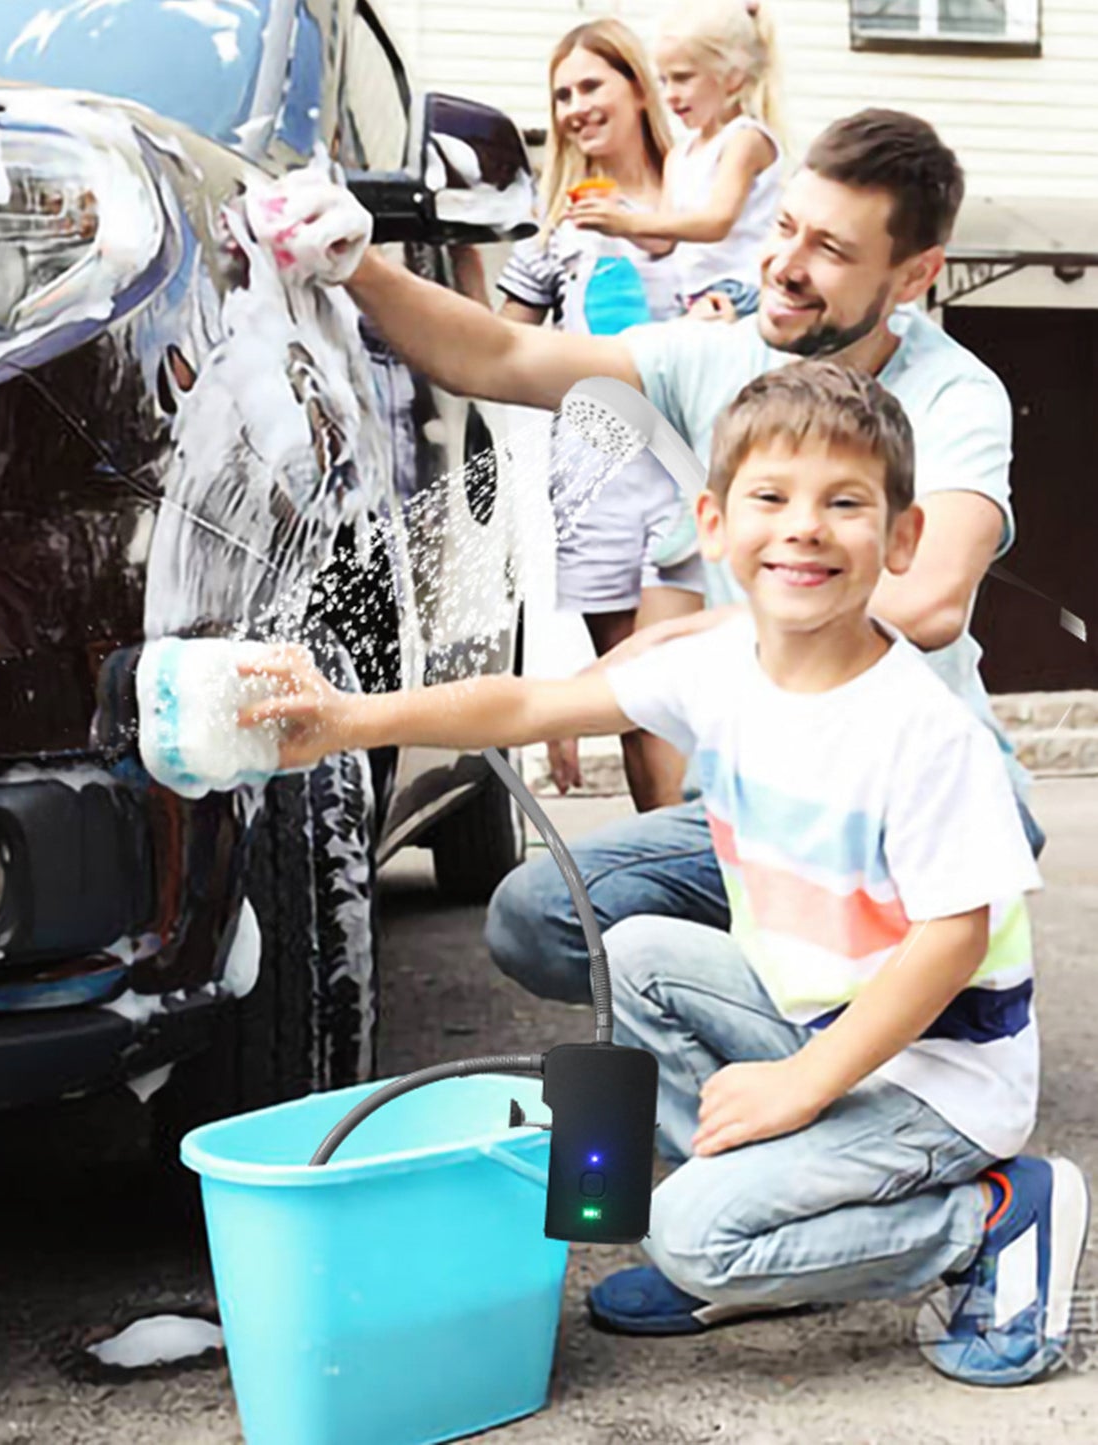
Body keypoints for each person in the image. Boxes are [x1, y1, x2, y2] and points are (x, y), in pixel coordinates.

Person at [236, 361, 1087, 1387]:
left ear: (901, 539)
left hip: (940, 1080)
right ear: (714, 524)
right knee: (634, 951)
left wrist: (797, 1084)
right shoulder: (718, 666)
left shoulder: (920, 730)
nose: (802, 527)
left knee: (685, 1233)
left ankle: (985, 1220)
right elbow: (525, 707)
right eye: (770, 498)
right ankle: (781, 1217)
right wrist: (342, 718)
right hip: (816, 1020)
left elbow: (951, 940)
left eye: (844, 502)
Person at [244, 108, 1041, 1003]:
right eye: (783, 226)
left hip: (921, 786)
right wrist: (358, 265)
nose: (784, 264)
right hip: (768, 795)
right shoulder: (714, 356)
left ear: (915, 275)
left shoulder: (953, 394)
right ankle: (794, 1016)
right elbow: (499, 353)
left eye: (831, 249)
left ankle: (888, 1030)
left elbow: (931, 602)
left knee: (895, 966)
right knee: (541, 917)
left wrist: (708, 635)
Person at [492, 18, 705, 810]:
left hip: (695, 474)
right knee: (636, 700)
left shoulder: (701, 203)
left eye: (591, 85)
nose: (577, 106)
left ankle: (710, 870)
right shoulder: (558, 233)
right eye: (563, 95)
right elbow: (496, 345)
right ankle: (674, 879)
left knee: (683, 687)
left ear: (637, 87)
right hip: (599, 484)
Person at [620, 0, 788, 320]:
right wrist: (614, 218)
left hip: (739, 290)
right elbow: (662, 240)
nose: (670, 95)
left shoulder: (745, 140)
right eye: (664, 81)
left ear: (732, 78)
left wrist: (628, 222)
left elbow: (717, 222)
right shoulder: (678, 157)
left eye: (683, 78)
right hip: (690, 294)